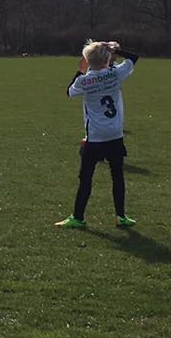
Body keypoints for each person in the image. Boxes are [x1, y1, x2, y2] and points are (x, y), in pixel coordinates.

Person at [56, 40, 140, 229]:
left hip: (95, 137)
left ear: (87, 60)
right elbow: (134, 58)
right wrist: (116, 49)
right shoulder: (115, 74)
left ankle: (78, 217)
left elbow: (69, 92)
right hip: (115, 135)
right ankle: (121, 216)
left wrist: (80, 70)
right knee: (117, 176)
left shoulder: (84, 81)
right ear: (108, 58)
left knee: (86, 178)